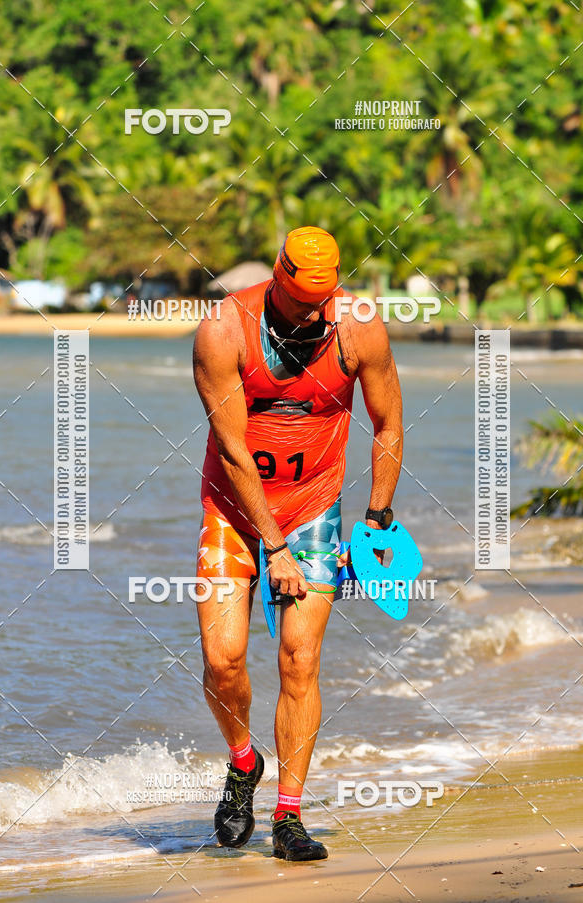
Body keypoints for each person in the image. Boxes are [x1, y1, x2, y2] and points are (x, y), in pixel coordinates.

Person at [193, 226, 403, 861]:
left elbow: (389, 423)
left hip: (314, 508)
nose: (316, 313)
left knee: (298, 659)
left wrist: (376, 520)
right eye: (302, 300)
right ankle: (242, 761)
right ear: (278, 280)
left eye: (324, 299)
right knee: (223, 658)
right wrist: (273, 545)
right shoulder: (225, 329)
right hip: (233, 509)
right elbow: (232, 450)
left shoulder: (359, 325)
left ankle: (288, 818)